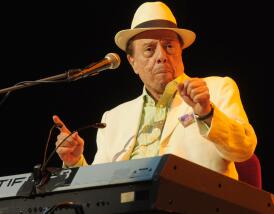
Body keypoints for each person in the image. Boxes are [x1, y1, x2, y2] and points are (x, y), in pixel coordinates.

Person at [53, 1, 257, 180]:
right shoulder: (113, 118)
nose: (161, 56)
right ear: (133, 62)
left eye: (169, 46)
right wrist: (75, 163)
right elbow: (100, 190)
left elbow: (244, 150)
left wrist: (207, 114)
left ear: (180, 51)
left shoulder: (216, 89)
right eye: (149, 49)